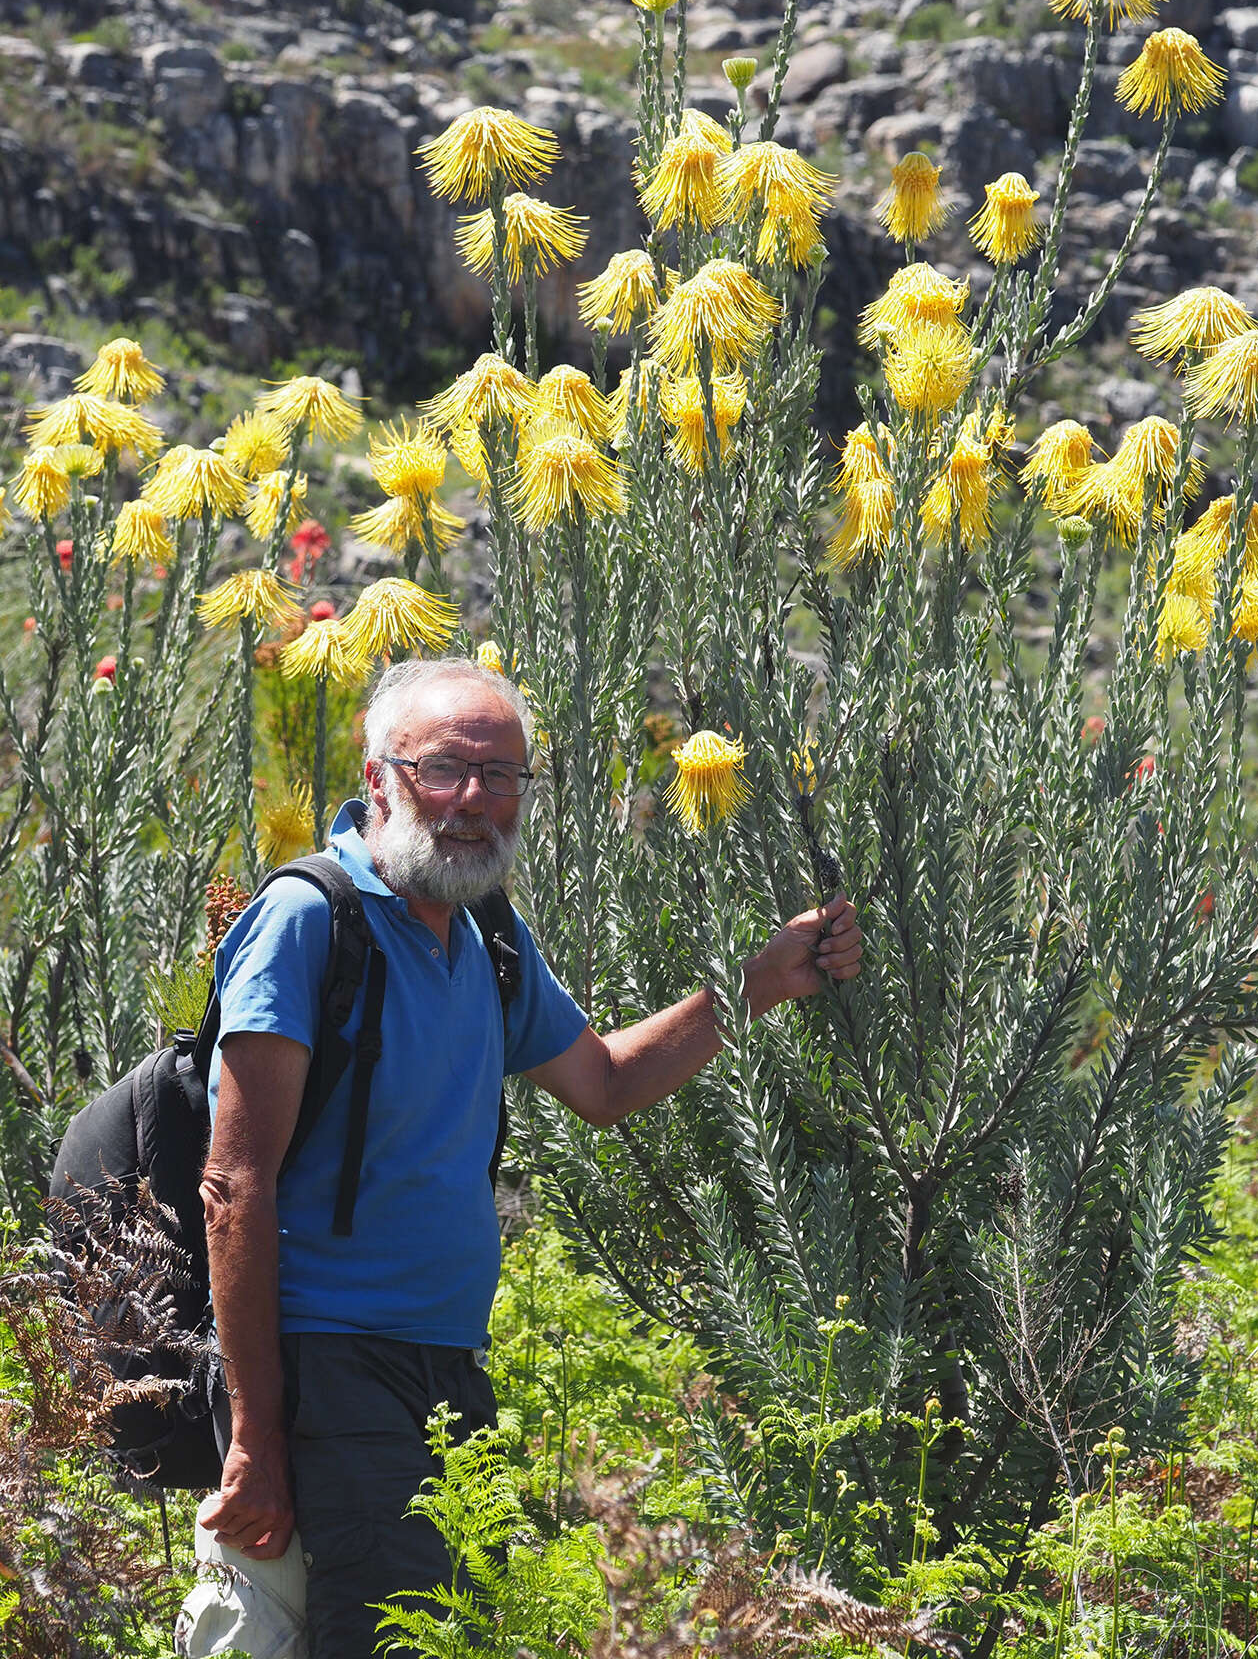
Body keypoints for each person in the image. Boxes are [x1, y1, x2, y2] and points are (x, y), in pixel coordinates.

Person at [194, 656, 862, 1657]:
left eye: (502, 777)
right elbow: (232, 1184)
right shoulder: (309, 922)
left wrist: (759, 982)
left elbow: (604, 1084)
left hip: (446, 1368)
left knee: (443, 1632)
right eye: (445, 771)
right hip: (326, 1365)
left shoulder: (483, 934)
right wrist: (257, 1432)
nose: (474, 802)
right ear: (378, 780)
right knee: (395, 1640)